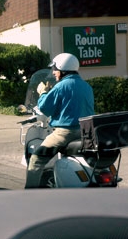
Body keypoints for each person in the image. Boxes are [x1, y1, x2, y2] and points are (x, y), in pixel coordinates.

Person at [25, 53, 94, 188]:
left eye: (55, 69)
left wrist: (43, 92)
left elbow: (45, 108)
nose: (54, 72)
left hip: (66, 133)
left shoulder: (61, 86)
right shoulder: (86, 86)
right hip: (86, 131)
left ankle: (29, 194)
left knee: (36, 160)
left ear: (62, 69)